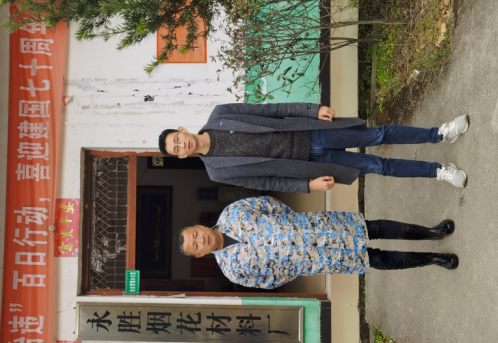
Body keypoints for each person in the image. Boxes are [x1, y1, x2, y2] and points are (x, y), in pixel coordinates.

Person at [158, 102, 469, 192]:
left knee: (377, 135)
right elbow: (268, 182)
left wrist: (310, 110)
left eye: (177, 139)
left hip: (312, 132)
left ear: (182, 130)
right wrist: (307, 185)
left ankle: (440, 134)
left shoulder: (220, 115)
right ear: (182, 156)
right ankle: (439, 171)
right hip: (308, 166)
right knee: (377, 166)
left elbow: (270, 110)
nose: (181, 144)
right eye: (177, 149)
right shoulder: (216, 172)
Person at [178, 196, 458, 290]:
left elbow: (269, 204)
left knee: (373, 228)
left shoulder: (232, 212)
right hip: (315, 260)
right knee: (376, 259)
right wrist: (296, 264)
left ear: (199, 226)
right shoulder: (232, 270)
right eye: (196, 245)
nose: (201, 240)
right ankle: (433, 259)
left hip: (319, 227)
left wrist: (295, 224)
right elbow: (270, 281)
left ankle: (432, 233)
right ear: (199, 254)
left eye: (196, 234)